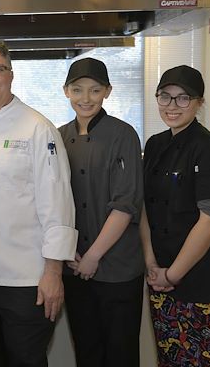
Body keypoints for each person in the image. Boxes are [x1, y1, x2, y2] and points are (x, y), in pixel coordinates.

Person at [0, 39, 77, 366]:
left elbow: (58, 204)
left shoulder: (38, 128)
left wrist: (53, 272)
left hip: (26, 280)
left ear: (11, 75)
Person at [141, 65, 210, 366]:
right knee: (170, 360)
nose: (173, 106)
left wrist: (173, 274)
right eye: (165, 97)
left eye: (183, 98)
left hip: (202, 284)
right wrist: (151, 264)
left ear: (199, 102)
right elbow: (144, 206)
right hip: (161, 279)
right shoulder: (155, 144)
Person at [58, 58, 144, 367]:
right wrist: (68, 252)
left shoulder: (124, 135)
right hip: (74, 266)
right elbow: (53, 202)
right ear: (66, 91)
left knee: (120, 354)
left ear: (107, 91)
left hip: (117, 267)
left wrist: (93, 256)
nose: (86, 98)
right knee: (87, 351)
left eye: (95, 90)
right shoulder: (58, 137)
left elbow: (125, 203)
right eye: (78, 90)